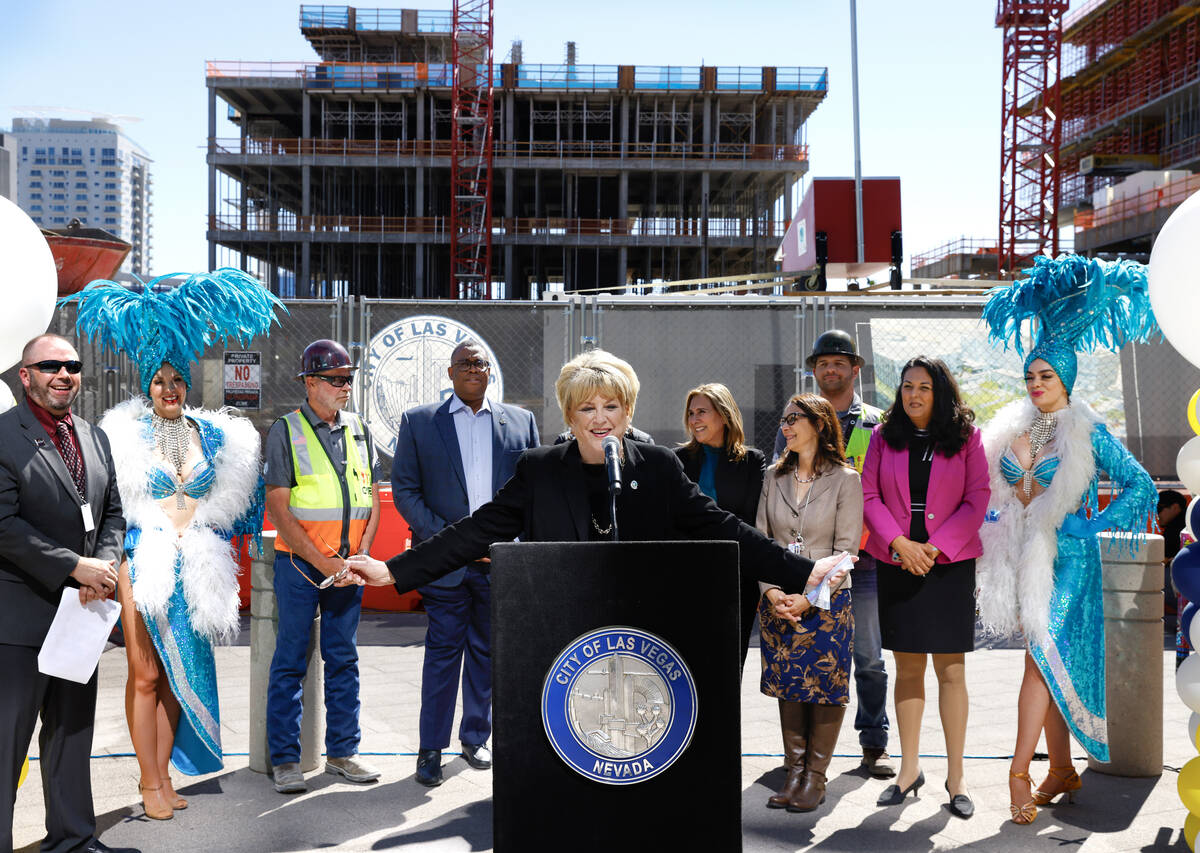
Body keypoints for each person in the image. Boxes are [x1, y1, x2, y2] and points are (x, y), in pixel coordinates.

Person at [339, 348, 851, 620]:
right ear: (569, 413)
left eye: (611, 406)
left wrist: (802, 572)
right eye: (587, 407)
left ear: (628, 411)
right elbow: (478, 530)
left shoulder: (657, 466)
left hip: (644, 623)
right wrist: (392, 571)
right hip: (561, 621)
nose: (600, 418)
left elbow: (728, 530)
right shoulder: (539, 468)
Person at [67, 268, 280, 820]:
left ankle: (165, 779)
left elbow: (241, 498)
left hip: (197, 567)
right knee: (143, 672)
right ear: (147, 386)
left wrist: (223, 530)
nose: (169, 390)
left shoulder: (214, 434)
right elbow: (103, 500)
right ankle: (147, 783)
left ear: (189, 385)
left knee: (176, 677)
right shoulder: (124, 436)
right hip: (145, 560)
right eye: (159, 381)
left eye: (177, 381)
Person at [978, 254, 1158, 825]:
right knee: (1046, 663)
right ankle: (1060, 769)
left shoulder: (1088, 429)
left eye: (1045, 376)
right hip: (1028, 557)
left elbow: (1141, 483)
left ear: (1067, 378)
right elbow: (1003, 499)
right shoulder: (1016, 430)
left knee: (1040, 659)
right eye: (1030, 376)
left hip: (1073, 562)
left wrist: (1094, 523)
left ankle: (1018, 773)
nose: (1034, 384)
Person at [391, 340, 539, 787]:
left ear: (489, 372)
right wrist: (450, 543)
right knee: (442, 655)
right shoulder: (419, 423)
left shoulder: (520, 421)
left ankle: (476, 737)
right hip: (447, 566)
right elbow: (405, 490)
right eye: (464, 364)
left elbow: (533, 491)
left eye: (480, 363)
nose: (473, 369)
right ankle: (430, 750)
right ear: (451, 373)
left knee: (487, 654)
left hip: (499, 563)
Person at [0, 334, 125, 853]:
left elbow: (113, 513)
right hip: (20, 618)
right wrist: (75, 566)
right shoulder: (4, 435)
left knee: (72, 733)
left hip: (81, 614)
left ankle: (73, 838)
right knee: (6, 746)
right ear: (24, 375)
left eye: (71, 365)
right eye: (49, 365)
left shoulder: (94, 438)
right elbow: (3, 525)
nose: (63, 373)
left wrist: (108, 564)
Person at [862, 355, 988, 818]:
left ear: (940, 392)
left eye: (923, 387)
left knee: (951, 672)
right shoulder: (882, 437)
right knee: (908, 670)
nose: (913, 395)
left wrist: (935, 548)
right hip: (897, 561)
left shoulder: (967, 438)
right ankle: (909, 770)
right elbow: (868, 494)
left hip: (947, 564)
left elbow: (978, 499)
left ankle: (956, 776)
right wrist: (898, 543)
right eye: (907, 386)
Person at [264, 339, 383, 794]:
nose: (345, 387)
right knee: (291, 660)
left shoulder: (360, 429)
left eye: (348, 379)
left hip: (347, 567)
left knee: (344, 660)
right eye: (335, 380)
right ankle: (286, 761)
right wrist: (324, 561)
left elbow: (370, 500)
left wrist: (358, 559)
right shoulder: (286, 431)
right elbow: (278, 508)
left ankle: (343, 753)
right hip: (301, 566)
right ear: (310, 383)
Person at [775, 329, 894, 778]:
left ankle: (874, 743)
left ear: (855, 369)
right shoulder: (798, 418)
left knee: (868, 657)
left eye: (839, 362)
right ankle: (802, 755)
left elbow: (886, 491)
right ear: (814, 370)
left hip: (861, 561)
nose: (830, 369)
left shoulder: (876, 424)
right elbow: (782, 482)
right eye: (823, 363)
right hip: (809, 563)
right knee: (806, 654)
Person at [756, 393, 861, 813]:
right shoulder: (772, 477)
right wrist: (772, 592)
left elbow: (846, 550)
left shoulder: (845, 479)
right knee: (790, 689)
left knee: (823, 690)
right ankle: (794, 772)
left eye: (793, 418)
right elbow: (761, 540)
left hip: (827, 606)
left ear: (819, 424)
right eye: (783, 419)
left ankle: (815, 778)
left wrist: (810, 597)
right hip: (779, 604)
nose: (785, 426)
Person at [675, 383, 765, 669]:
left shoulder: (752, 460)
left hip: (736, 574)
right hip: (688, 574)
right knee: (689, 658)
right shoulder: (678, 460)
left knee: (730, 661)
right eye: (691, 413)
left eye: (702, 412)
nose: (694, 420)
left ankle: (727, 716)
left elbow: (748, 519)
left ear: (724, 415)